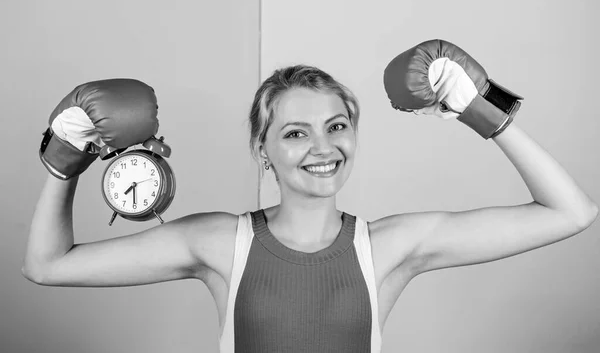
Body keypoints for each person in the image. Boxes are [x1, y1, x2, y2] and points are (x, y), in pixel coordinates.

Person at [23, 41, 598, 353]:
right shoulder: (220, 241)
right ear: (263, 149)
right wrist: (64, 157)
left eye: (337, 125)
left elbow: (571, 212)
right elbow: (47, 267)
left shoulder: (392, 246)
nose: (323, 147)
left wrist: (481, 106)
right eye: (296, 132)